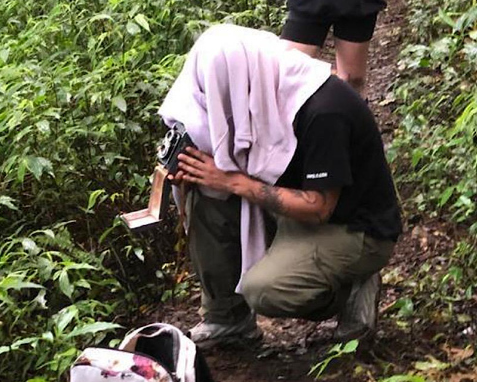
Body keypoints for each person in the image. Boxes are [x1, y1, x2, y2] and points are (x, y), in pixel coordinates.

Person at [158, 25, 401, 347]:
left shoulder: (324, 109)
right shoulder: (258, 87)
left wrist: (232, 181)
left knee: (267, 290)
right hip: (291, 211)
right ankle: (227, 318)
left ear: (240, 80)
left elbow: (318, 207)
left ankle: (352, 287)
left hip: (350, 225)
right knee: (207, 197)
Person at [281, 0, 387, 95]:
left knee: (352, 80)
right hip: (308, 4)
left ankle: (351, 115)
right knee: (288, 74)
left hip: (357, 5)